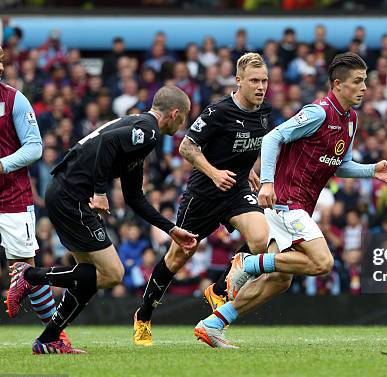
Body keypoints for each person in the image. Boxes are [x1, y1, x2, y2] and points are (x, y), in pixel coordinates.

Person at [194, 52, 387, 348]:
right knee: (322, 263)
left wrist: (372, 170)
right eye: (358, 82)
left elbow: (339, 164)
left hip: (300, 206)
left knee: (280, 279)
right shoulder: (318, 112)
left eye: (365, 81)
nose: (364, 87)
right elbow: (271, 138)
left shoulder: (351, 119)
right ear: (338, 84)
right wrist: (267, 182)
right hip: (285, 202)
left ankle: (213, 324)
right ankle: (249, 264)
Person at [7, 86, 198, 354]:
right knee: (113, 273)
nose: (183, 124)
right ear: (175, 113)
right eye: (185, 117)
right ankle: (29, 275)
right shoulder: (149, 131)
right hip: (72, 196)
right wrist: (99, 192)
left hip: (64, 192)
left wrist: (172, 229)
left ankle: (48, 340)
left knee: (87, 278)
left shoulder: (138, 129)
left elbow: (134, 196)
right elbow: (107, 144)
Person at [132, 53, 272, 346]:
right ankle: (143, 315)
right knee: (178, 256)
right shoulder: (218, 111)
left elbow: (245, 146)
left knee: (261, 238)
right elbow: (187, 146)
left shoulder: (264, 112)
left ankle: (219, 290)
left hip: (235, 190)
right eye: (254, 81)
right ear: (238, 81)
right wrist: (213, 172)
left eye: (264, 81)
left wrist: (249, 172)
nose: (261, 87)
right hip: (204, 193)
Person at [0, 46, 66, 342]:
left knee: (26, 269)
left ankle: (54, 337)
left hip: (11, 196)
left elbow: (34, 146)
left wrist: (1, 165)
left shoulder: (14, 99)